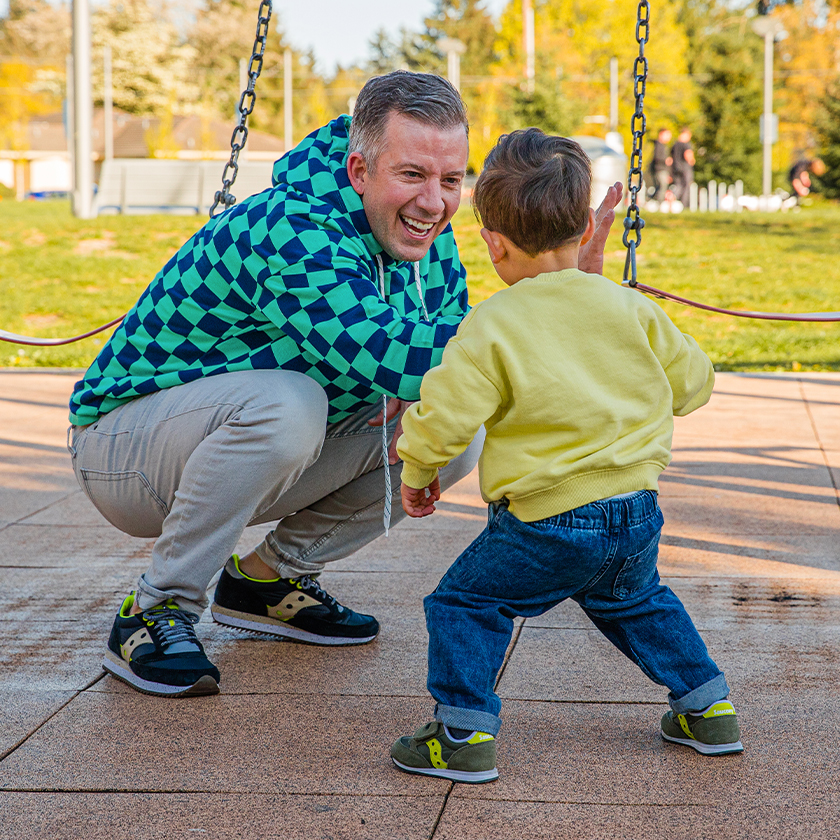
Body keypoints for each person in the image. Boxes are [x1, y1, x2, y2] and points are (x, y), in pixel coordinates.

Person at [67, 71, 622, 699]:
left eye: (449, 180)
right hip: (124, 453)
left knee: (450, 431)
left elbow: (449, 359)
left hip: (240, 445)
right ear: (359, 170)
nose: (435, 203)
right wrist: (569, 301)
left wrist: (566, 291)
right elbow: (389, 352)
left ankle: (267, 582)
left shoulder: (426, 236)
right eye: (411, 175)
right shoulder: (294, 228)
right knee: (289, 404)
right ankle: (154, 611)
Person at [390, 128, 742, 784]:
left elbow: (446, 410)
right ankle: (708, 707)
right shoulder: (628, 309)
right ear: (585, 225)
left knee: (464, 603)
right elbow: (693, 384)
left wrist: (418, 469)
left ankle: (461, 733)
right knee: (637, 600)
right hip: (636, 514)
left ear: (492, 243)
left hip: (547, 524)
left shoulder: (492, 325)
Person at [670, 127, 696, 205]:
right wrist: (692, 161)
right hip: (685, 168)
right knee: (686, 186)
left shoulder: (674, 145)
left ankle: (671, 200)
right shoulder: (686, 144)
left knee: (678, 186)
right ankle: (684, 204)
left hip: (676, 168)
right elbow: (688, 155)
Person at [647, 127, 673, 202]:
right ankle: (658, 202)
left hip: (662, 169)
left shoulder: (663, 146)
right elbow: (657, 157)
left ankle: (654, 201)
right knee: (662, 186)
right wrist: (666, 160)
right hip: (659, 169)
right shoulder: (658, 145)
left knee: (661, 187)